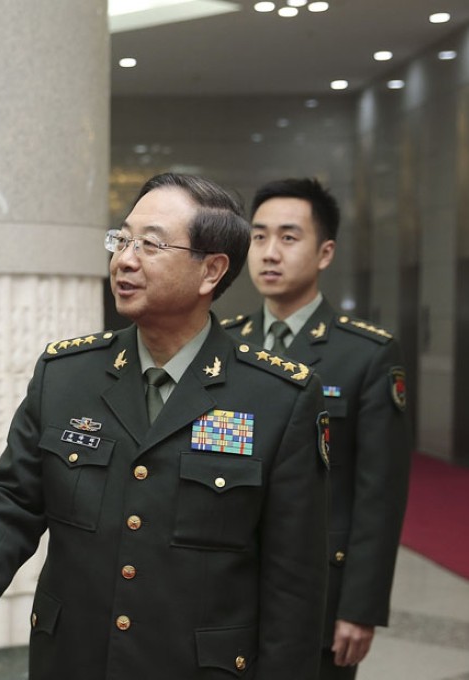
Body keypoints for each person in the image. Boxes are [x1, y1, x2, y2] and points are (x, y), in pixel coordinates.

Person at [0, 173, 330, 679]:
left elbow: (294, 586)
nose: (124, 259)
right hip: (73, 660)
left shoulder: (278, 398)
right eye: (122, 239)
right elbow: (12, 496)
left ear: (211, 271)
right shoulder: (67, 375)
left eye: (150, 244)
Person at [221, 177, 411, 679]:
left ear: (324, 253)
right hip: (227, 579)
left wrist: (361, 606)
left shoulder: (366, 355)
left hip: (320, 588)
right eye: (258, 237)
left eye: (288, 237)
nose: (268, 253)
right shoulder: (225, 345)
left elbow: (380, 494)